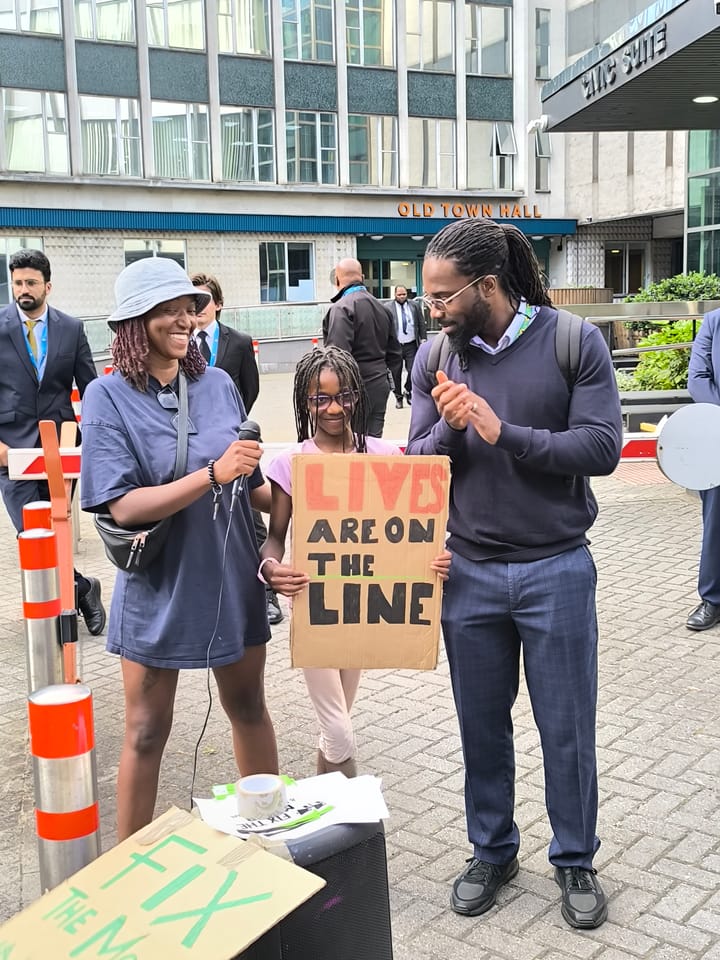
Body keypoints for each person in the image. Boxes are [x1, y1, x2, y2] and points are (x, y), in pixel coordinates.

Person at [405, 218, 623, 930]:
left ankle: (575, 859)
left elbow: (601, 448)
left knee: (566, 726)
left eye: (442, 296)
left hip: (555, 567)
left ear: (487, 287)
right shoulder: (437, 354)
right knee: (480, 726)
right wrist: (454, 427)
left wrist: (506, 432)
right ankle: (492, 850)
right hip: (467, 573)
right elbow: (416, 462)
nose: (430, 309)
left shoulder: (571, 341)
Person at [79, 256, 277, 840]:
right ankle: (127, 866)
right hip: (159, 584)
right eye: (163, 310)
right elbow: (124, 507)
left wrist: (325, 489)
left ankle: (266, 843)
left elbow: (256, 488)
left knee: (248, 708)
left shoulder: (218, 384)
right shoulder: (105, 396)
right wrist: (213, 474)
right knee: (145, 730)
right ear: (131, 325)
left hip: (231, 575)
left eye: (186, 308)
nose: (181, 320)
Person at [259, 345, 450, 776]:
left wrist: (436, 557)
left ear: (357, 397)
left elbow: (414, 531)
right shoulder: (291, 464)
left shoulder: (386, 458)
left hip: (364, 607)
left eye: (342, 395)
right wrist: (270, 570)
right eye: (319, 398)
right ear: (303, 401)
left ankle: (333, 831)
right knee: (340, 731)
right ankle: (348, 823)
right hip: (315, 610)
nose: (332, 408)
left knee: (336, 727)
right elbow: (273, 540)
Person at [0, 248, 106, 635]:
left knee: (56, 526)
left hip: (61, 447)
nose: (23, 290)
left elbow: (91, 389)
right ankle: (81, 590)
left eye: (30, 283)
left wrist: (96, 442)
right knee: (32, 531)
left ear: (48, 285)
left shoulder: (71, 329)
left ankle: (64, 608)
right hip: (10, 450)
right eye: (17, 283)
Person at [190, 271, 283, 627]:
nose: (196, 309)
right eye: (190, 301)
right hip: (193, 447)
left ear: (218, 304)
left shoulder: (239, 342)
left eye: (203, 300)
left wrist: (234, 426)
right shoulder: (180, 343)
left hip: (236, 441)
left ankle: (266, 592)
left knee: (251, 518)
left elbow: (251, 388)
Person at [323, 258, 401, 437]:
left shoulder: (341, 308)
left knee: (350, 444)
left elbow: (337, 357)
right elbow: (395, 354)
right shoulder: (384, 309)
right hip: (380, 385)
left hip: (352, 389)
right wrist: (393, 387)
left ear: (336, 280)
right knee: (373, 442)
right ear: (363, 277)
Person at [686, 309, 720, 630]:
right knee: (716, 521)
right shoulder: (713, 322)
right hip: (718, 437)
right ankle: (713, 599)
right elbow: (697, 378)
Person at [385, 285, 427, 408]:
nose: (402, 297)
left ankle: (408, 390)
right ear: (395, 295)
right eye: (399, 295)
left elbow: (421, 323)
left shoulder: (414, 306)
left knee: (413, 370)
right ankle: (398, 397)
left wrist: (423, 338)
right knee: (395, 373)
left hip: (411, 344)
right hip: (395, 346)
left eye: (404, 294)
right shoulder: (387, 308)